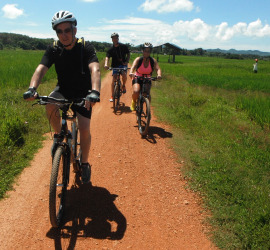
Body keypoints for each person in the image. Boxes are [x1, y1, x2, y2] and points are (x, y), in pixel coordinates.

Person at [23, 10, 101, 184]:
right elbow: (41, 69)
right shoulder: (54, 48)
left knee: (84, 127)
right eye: (60, 31)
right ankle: (59, 134)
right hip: (64, 89)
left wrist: (94, 92)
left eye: (67, 30)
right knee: (49, 104)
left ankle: (85, 163)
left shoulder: (85, 47)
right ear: (56, 33)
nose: (64, 34)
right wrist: (32, 88)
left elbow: (95, 68)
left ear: (74, 29)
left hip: (84, 93)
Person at [129, 42, 162, 111]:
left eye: (148, 51)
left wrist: (159, 75)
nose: (146, 53)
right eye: (145, 51)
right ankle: (134, 102)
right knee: (136, 91)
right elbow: (133, 66)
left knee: (147, 94)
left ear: (150, 52)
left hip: (147, 78)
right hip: (137, 77)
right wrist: (131, 72)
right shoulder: (138, 59)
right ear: (142, 51)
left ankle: (148, 108)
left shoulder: (153, 60)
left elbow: (158, 68)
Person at [104, 33, 130, 102]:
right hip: (115, 65)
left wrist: (127, 61)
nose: (114, 39)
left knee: (124, 75)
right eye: (113, 38)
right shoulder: (111, 49)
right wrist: (106, 64)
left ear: (118, 38)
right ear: (112, 39)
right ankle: (112, 96)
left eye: (116, 38)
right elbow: (107, 57)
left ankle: (123, 85)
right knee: (114, 79)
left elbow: (128, 53)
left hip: (123, 64)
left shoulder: (123, 46)